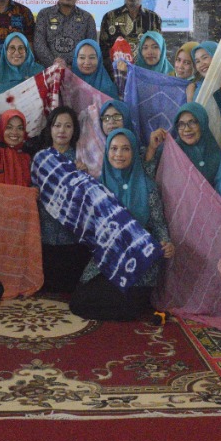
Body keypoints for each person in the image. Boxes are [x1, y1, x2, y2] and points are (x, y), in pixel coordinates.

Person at [69, 129, 175, 321]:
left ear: (134, 152)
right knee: (79, 302)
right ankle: (133, 308)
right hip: (108, 257)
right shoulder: (99, 187)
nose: (119, 154)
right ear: (107, 152)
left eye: (126, 149)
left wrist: (166, 243)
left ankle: (135, 305)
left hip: (139, 260)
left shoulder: (148, 187)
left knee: (125, 304)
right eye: (114, 148)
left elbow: (159, 224)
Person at [32, 106, 91, 291]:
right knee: (46, 285)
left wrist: (85, 176)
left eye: (68, 126)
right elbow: (32, 191)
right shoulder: (40, 158)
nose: (62, 131)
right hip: (45, 234)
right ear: (50, 128)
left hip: (72, 236)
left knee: (70, 287)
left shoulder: (81, 158)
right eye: (57, 125)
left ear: (74, 130)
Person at [32, 0, 97, 67]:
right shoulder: (44, 15)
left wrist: (73, 67)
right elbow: (39, 45)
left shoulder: (87, 18)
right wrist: (55, 65)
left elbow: (91, 48)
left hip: (78, 72)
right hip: (48, 71)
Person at [98, 0, 162, 59]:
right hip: (116, 67)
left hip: (145, 68)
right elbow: (103, 52)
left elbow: (158, 50)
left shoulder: (154, 19)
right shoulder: (109, 17)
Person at [157, 102, 221, 186]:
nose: (187, 129)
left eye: (192, 122)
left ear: (202, 124)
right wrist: (152, 148)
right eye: (181, 124)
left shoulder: (215, 152)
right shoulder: (171, 152)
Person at [0, 32, 43, 100]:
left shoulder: (39, 73)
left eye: (21, 48)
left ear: (27, 51)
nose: (16, 53)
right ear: (5, 51)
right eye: (12, 48)